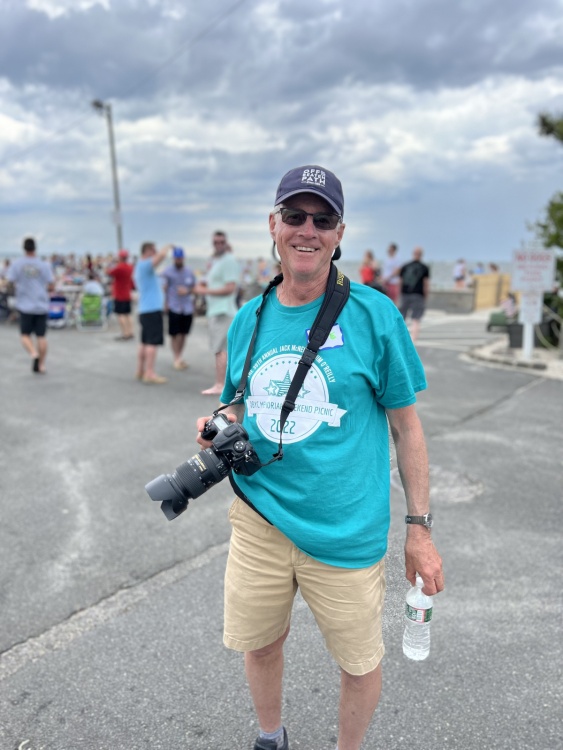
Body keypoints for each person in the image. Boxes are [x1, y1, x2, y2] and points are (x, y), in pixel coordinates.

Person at [195, 166, 444, 750]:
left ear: (339, 234)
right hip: (259, 518)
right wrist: (219, 424)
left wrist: (419, 530)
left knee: (358, 662)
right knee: (261, 643)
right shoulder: (249, 317)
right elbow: (238, 401)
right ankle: (270, 737)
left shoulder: (374, 315)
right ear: (273, 225)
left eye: (322, 219)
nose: (307, 230)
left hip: (345, 529)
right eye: (295, 216)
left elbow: (407, 428)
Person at [193, 231, 240, 396]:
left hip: (223, 311)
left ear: (226, 243)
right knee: (220, 349)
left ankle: (221, 385)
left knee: (221, 350)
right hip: (216, 310)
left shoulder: (228, 261)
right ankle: (223, 384)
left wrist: (204, 291)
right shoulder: (217, 261)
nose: (218, 245)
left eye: (221, 242)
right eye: (215, 242)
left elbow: (230, 288)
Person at [7, 237, 55, 374]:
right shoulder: (43, 265)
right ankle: (41, 365)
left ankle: (33, 353)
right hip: (41, 304)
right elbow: (51, 284)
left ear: (24, 248)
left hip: (24, 304)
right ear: (35, 248)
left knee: (25, 334)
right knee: (41, 336)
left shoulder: (17, 264)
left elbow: (10, 281)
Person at [133, 241, 170, 384]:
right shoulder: (145, 265)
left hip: (145, 309)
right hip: (151, 309)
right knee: (152, 343)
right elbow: (160, 257)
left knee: (144, 341)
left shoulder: (139, 266)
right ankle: (150, 373)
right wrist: (168, 247)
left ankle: (140, 370)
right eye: (153, 250)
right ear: (147, 251)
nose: (155, 253)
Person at [160, 247, 196, 370]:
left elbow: (195, 288)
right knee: (174, 334)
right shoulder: (167, 272)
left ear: (183, 258)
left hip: (187, 307)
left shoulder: (189, 272)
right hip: (174, 306)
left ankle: (179, 356)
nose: (178, 260)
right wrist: (165, 303)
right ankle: (176, 357)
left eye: (180, 258)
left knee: (184, 333)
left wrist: (188, 291)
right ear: (174, 258)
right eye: (176, 258)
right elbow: (163, 288)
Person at [399, 247, 430, 343]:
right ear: (421, 255)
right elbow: (426, 284)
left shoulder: (405, 266)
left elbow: (400, 282)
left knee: (402, 317)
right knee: (416, 318)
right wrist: (425, 296)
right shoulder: (424, 267)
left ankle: (400, 338)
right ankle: (413, 339)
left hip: (405, 293)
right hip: (418, 294)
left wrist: (399, 294)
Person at [106, 249, 135, 340]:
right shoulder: (130, 267)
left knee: (120, 314)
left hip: (119, 294)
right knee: (128, 314)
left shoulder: (119, 268)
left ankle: (125, 333)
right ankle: (130, 332)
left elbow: (108, 272)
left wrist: (111, 262)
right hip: (127, 293)